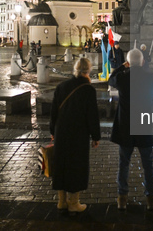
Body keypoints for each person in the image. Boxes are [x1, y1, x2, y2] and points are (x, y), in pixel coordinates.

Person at [109, 49, 153, 211]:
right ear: (143, 61)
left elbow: (111, 80)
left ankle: (122, 198)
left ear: (129, 62)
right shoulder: (152, 77)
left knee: (124, 163)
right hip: (145, 126)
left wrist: (121, 67)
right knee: (148, 164)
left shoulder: (123, 77)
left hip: (126, 127)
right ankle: (151, 198)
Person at [50, 58, 101, 213]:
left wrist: (53, 131)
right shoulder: (88, 89)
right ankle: (74, 202)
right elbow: (92, 115)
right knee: (76, 165)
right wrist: (95, 136)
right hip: (78, 133)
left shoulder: (62, 86)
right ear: (88, 70)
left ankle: (61, 201)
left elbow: (54, 112)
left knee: (61, 164)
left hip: (61, 131)